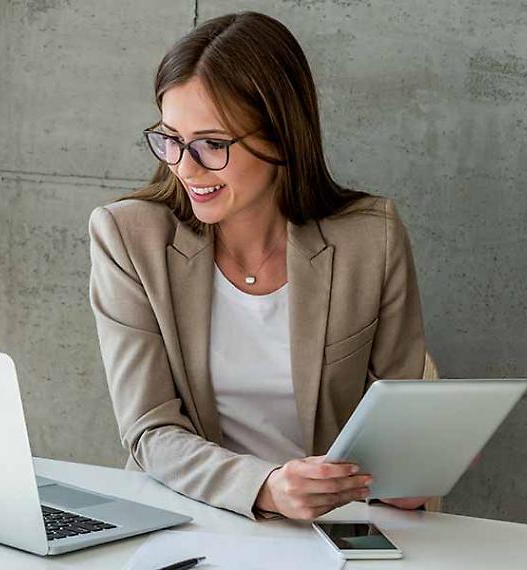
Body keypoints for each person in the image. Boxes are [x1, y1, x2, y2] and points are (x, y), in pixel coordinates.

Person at [88, 11, 435, 521]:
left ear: (280, 139)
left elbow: (398, 423)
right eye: (170, 139)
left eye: (212, 144)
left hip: (330, 529)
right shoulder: (128, 238)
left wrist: (409, 475)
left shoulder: (371, 238)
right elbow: (150, 430)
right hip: (188, 516)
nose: (185, 166)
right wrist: (265, 486)